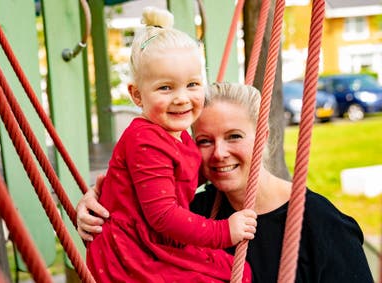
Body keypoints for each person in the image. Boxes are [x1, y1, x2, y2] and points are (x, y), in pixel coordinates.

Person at [78, 82, 375, 282]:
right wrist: (93, 208)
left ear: (263, 137)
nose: (219, 153)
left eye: (234, 136)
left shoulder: (320, 225)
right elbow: (128, 244)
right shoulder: (191, 213)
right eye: (204, 141)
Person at [85, 7, 257, 283]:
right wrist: (224, 232)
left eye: (192, 84)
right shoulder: (145, 140)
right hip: (134, 253)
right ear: (137, 95)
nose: (181, 98)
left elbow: (185, 172)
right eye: (165, 88)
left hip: (155, 243)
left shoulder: (178, 136)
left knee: (238, 272)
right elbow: (163, 215)